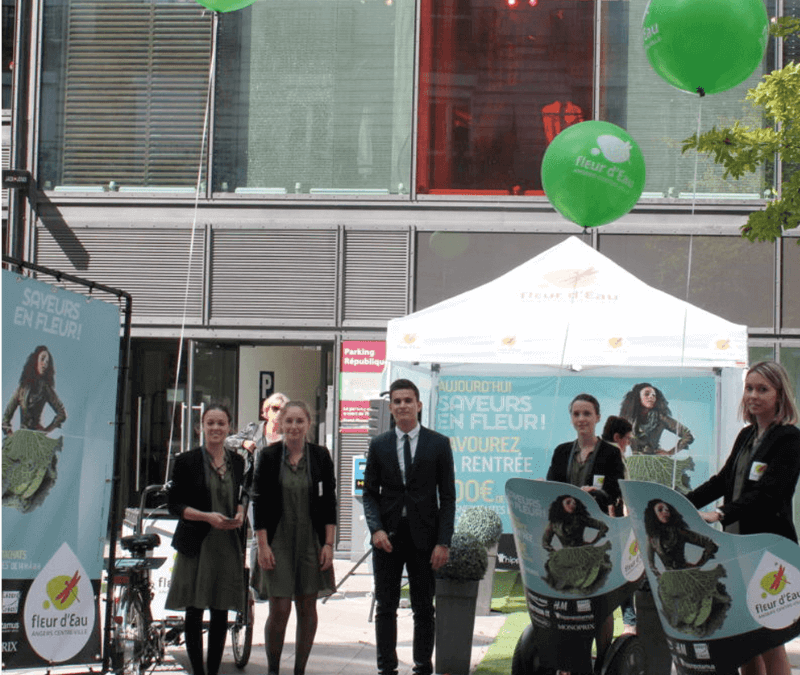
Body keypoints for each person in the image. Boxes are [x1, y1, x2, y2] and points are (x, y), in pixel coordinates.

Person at [688, 360, 800, 675]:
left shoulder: (789, 439)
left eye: (762, 389)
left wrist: (720, 513)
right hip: (737, 548)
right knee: (743, 638)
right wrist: (680, 503)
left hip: (768, 550)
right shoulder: (747, 436)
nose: (753, 395)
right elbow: (722, 482)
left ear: (780, 395)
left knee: (768, 638)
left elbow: (769, 494)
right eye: (749, 388)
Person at [362, 378, 456, 675]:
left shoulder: (438, 444)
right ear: (390, 408)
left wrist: (443, 542)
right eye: (397, 401)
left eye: (408, 400)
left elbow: (449, 497)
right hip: (387, 538)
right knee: (385, 607)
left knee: (423, 609)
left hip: (425, 538)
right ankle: (386, 668)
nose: (403, 406)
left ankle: (421, 668)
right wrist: (375, 529)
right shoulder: (379, 445)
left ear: (419, 405)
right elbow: (369, 494)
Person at [252, 400, 337, 675]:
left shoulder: (321, 456)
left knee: (307, 606)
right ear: (280, 424)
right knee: (280, 608)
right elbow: (260, 504)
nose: (294, 426)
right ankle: (273, 669)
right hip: (277, 540)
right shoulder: (268, 456)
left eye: (300, 421)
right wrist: (262, 546)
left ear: (308, 424)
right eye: (289, 421)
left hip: (311, 540)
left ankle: (299, 670)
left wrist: (329, 543)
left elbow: (329, 504)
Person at [165, 403, 246, 675]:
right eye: (210, 423)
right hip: (196, 543)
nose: (215, 428)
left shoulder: (238, 461)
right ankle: (197, 671)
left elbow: (241, 497)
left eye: (221, 423)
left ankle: (213, 671)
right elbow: (174, 505)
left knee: (221, 610)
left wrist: (240, 511)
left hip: (226, 544)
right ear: (201, 427)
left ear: (229, 428)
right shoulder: (186, 461)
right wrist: (206, 517)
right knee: (195, 609)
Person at [545, 393, 624, 669]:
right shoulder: (561, 451)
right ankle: (569, 663)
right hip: (565, 542)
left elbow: (616, 493)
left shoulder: (611, 453)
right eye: (576, 414)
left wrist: (597, 494)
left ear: (598, 417)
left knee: (600, 602)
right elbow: (551, 490)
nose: (581, 419)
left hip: (597, 538)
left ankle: (604, 662)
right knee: (567, 603)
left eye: (587, 414)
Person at [225, 392, 289, 581]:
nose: (279, 413)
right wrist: (244, 443)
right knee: (257, 536)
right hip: (254, 492)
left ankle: (273, 578)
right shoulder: (254, 430)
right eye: (275, 408)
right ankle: (254, 581)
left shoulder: (288, 435)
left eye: (282, 409)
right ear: (265, 411)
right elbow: (228, 441)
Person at [1, 345, 68, 512]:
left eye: (48, 360)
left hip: (37, 440)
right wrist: (10, 436)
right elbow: (6, 418)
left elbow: (61, 413)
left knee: (49, 479)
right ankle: (17, 500)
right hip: (21, 439)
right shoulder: (21, 389)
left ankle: (21, 502)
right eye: (42, 359)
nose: (45, 363)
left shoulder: (45, 388)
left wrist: (46, 430)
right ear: (35, 361)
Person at [600, 415, 635, 634]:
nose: (629, 444)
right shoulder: (614, 456)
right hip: (614, 527)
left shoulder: (596, 454)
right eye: (628, 439)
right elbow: (621, 495)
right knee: (624, 575)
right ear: (617, 437)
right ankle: (630, 625)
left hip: (602, 527)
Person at [619, 382, 694, 456]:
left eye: (654, 395)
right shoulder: (629, 419)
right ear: (638, 398)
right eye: (647, 394)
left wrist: (670, 452)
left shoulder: (661, 418)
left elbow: (687, 435)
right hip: (636, 463)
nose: (651, 397)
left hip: (656, 462)